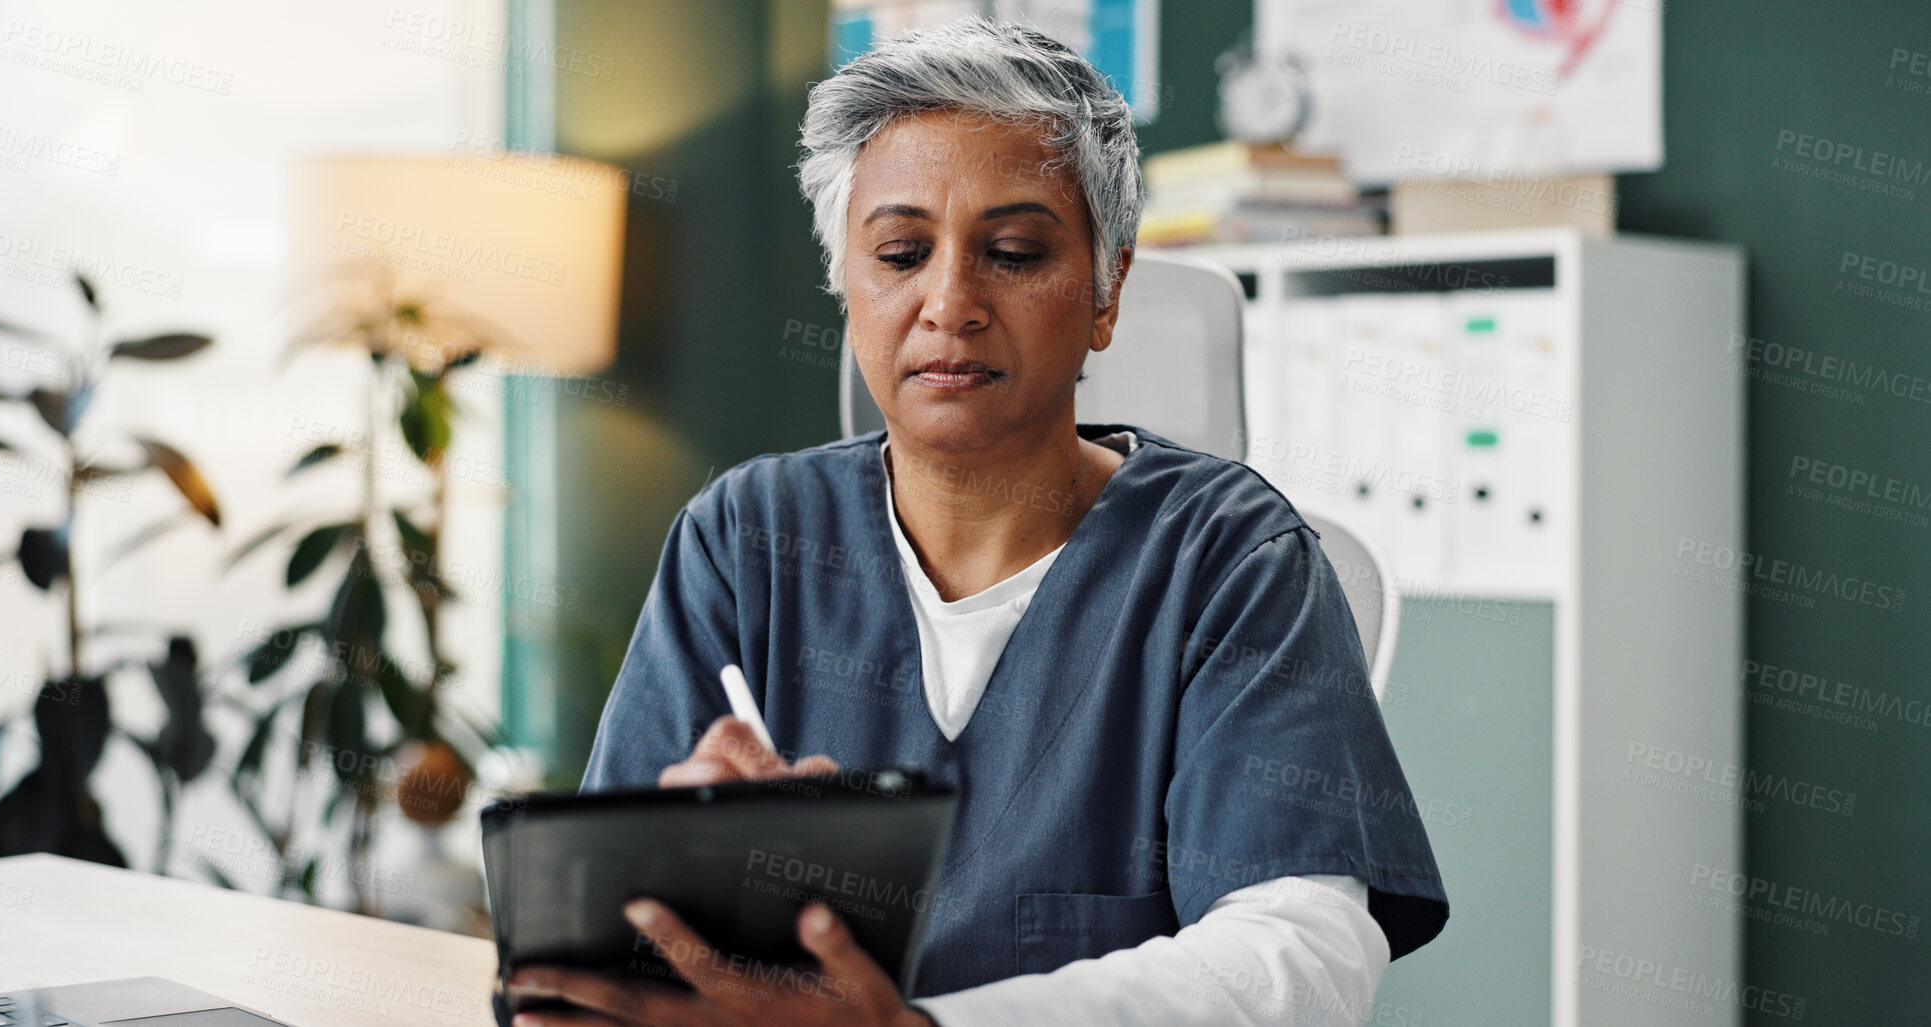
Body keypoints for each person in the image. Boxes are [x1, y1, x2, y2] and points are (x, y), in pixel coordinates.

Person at [507, 16, 1446, 1027]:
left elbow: (1299, 954)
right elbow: (593, 960)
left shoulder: (1229, 558)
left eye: (1012, 251)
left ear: (1105, 291)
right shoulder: (747, 539)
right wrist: (678, 875)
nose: (949, 302)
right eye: (900, 252)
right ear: (845, 285)